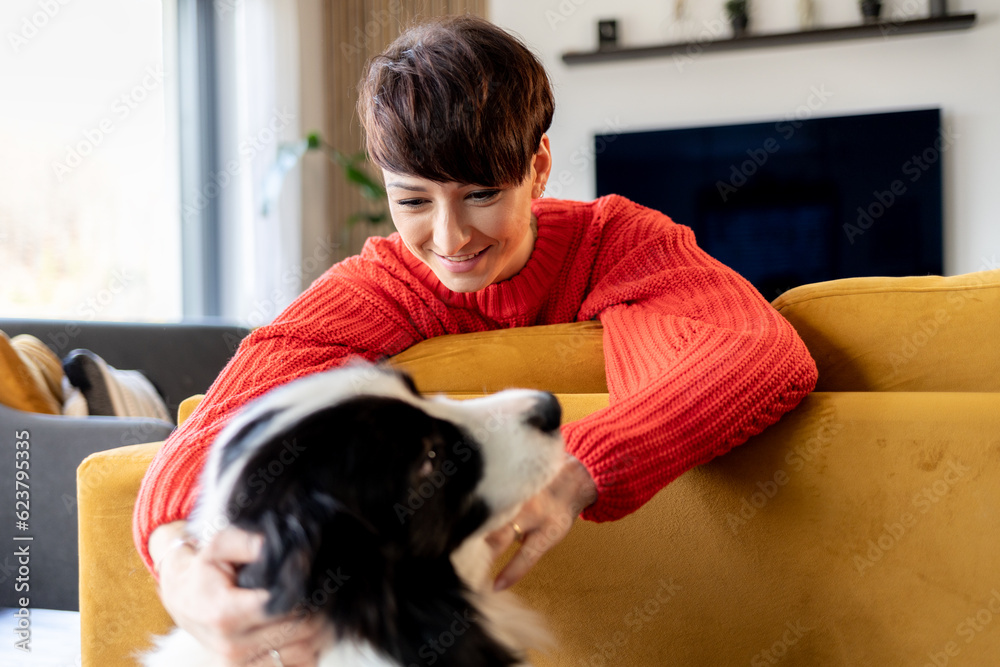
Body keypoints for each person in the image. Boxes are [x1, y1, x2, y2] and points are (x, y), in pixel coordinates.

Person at [135, 15, 818, 667]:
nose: (450, 236)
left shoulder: (617, 241)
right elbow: (219, 418)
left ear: (539, 166)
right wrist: (178, 561)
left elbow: (764, 355)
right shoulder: (382, 283)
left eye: (482, 193)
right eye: (413, 200)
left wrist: (578, 466)